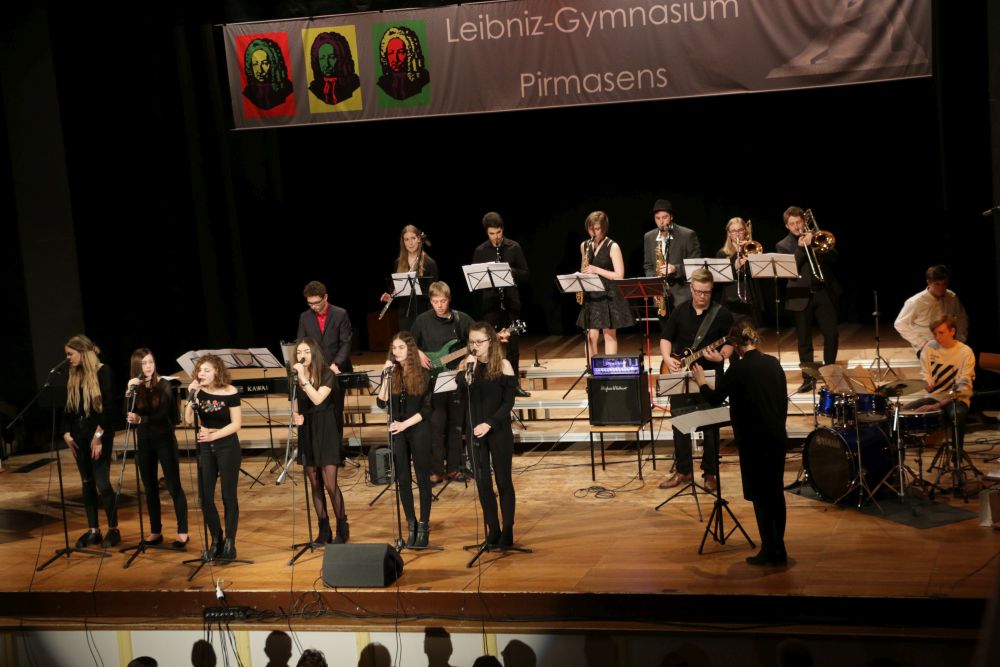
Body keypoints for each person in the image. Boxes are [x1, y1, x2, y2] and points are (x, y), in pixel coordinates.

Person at [691, 319, 789, 565]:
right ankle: (779, 548)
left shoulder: (738, 369)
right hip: (777, 438)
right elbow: (781, 400)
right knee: (775, 493)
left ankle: (768, 550)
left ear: (735, 345)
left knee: (760, 497)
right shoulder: (773, 363)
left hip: (753, 442)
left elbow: (716, 398)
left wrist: (701, 381)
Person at [657, 268, 735, 492]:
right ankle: (683, 471)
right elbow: (666, 338)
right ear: (691, 289)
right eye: (699, 291)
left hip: (709, 379)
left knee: (710, 428)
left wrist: (721, 356)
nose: (702, 296)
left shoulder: (722, 314)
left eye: (707, 292)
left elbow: (731, 343)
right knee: (679, 424)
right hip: (681, 376)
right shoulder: (680, 311)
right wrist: (667, 359)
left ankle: (710, 473)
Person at [459, 322, 518, 548]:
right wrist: (468, 373)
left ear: (491, 342)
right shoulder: (467, 367)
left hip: (498, 429)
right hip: (474, 431)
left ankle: (508, 530)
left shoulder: (504, 365)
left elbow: (508, 403)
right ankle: (493, 529)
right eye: (471, 342)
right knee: (483, 482)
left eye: (479, 342)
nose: (475, 346)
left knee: (503, 480)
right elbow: (461, 397)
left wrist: (489, 424)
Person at [125, 348, 189, 549]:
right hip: (144, 441)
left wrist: (141, 419)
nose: (148, 367)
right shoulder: (135, 387)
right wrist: (128, 392)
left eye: (150, 362)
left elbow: (162, 415)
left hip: (164, 440)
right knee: (150, 487)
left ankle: (183, 532)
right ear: (136, 366)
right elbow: (127, 414)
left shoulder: (164, 385)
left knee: (173, 485)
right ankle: (155, 531)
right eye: (143, 363)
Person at [62, 334, 120, 548]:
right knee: (87, 482)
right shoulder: (74, 374)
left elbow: (109, 408)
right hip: (79, 436)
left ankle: (113, 529)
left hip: (99, 434)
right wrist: (66, 433)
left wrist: (98, 437)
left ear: (82, 352)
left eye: (70, 354)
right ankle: (93, 530)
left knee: (102, 482)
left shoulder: (103, 371)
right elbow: (68, 407)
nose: (68, 358)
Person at [376, 332, 434, 547]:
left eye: (401, 347)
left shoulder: (423, 374)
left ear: (410, 350)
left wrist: (404, 424)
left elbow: (427, 409)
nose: (397, 352)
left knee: (422, 478)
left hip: (417, 428)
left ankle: (424, 526)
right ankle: (411, 524)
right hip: (397, 430)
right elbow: (381, 403)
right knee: (403, 479)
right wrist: (385, 376)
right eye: (394, 348)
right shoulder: (392, 373)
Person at [775, 206, 840, 393]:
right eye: (792, 224)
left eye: (799, 222)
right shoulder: (783, 245)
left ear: (804, 222)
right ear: (787, 226)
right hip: (800, 295)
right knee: (804, 340)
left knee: (831, 334)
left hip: (822, 293)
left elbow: (835, 258)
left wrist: (818, 242)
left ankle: (829, 374)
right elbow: (790, 270)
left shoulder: (816, 236)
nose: (797, 226)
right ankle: (808, 378)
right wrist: (801, 248)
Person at [184, 354, 242, 561]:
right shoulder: (198, 392)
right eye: (200, 370)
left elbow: (236, 424)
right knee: (205, 497)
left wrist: (213, 436)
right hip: (205, 447)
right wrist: (191, 396)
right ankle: (216, 539)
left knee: (228, 496)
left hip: (227, 446)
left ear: (217, 371)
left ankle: (230, 543)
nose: (202, 374)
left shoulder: (230, 392)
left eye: (207, 370)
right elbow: (187, 419)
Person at [292, 338, 349, 544]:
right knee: (315, 484)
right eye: (299, 352)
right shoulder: (295, 377)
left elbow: (317, 399)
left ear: (314, 353)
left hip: (326, 430)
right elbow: (295, 402)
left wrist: (303, 378)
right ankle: (324, 530)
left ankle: (342, 526)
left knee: (330, 484)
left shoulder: (327, 374)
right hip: (307, 430)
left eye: (306, 351)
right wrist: (295, 415)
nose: (302, 355)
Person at [906, 316, 975, 473]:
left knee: (957, 414)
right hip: (934, 396)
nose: (937, 337)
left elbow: (963, 386)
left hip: (956, 398)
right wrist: (927, 381)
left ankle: (957, 458)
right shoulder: (929, 348)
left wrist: (937, 406)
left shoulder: (965, 352)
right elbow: (925, 373)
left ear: (952, 331)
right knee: (904, 412)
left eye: (941, 333)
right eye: (935, 333)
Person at [472, 211, 531, 396]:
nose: (496, 237)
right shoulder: (481, 251)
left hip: (511, 302)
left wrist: (507, 271)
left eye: (498, 232)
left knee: (513, 348)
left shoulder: (514, 247)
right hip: (490, 304)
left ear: (502, 229)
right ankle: (492, 384)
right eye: (492, 234)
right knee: (489, 346)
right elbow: (475, 281)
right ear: (487, 233)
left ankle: (514, 385)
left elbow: (525, 274)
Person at [642, 199, 702, 361]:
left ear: (671, 217)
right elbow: (648, 265)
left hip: (682, 294)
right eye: (658, 218)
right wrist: (653, 282)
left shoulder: (687, 235)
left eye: (665, 217)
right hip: (661, 294)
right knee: (667, 335)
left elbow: (696, 265)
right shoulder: (649, 237)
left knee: (685, 337)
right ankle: (671, 366)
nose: (661, 222)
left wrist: (676, 269)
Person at [297, 280, 352, 442]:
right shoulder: (304, 317)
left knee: (335, 411)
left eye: (317, 302)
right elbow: (301, 343)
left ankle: (336, 450)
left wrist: (336, 364)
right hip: (314, 370)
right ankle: (318, 449)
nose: (314, 306)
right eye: (310, 303)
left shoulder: (340, 313)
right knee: (315, 411)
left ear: (325, 297)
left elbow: (346, 342)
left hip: (335, 369)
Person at [576, 211, 634, 355]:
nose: (593, 232)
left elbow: (619, 275)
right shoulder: (584, 245)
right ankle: (592, 366)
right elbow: (584, 267)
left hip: (609, 295)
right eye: (590, 229)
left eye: (597, 229)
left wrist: (597, 270)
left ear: (604, 228)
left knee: (609, 335)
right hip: (592, 294)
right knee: (590, 336)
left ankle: (609, 366)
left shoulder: (613, 246)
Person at [894, 264, 969, 357]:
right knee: (939, 363)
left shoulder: (951, 297)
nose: (941, 288)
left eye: (944, 284)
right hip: (927, 346)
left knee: (966, 358)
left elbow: (961, 317)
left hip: (949, 344)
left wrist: (960, 339)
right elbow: (900, 323)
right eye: (937, 284)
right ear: (929, 282)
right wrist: (922, 343)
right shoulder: (915, 302)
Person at [379, 225, 439, 331]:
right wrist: (391, 296)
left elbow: (434, 293)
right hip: (405, 314)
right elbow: (398, 292)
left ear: (419, 239)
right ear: (403, 242)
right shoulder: (398, 263)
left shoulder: (430, 263)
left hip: (424, 313)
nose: (410, 243)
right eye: (406, 239)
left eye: (413, 238)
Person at [716, 217, 762, 324]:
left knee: (751, 332)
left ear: (745, 231)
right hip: (731, 301)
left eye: (740, 230)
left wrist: (748, 253)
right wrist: (734, 267)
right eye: (733, 231)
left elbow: (758, 272)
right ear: (729, 234)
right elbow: (720, 279)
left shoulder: (751, 249)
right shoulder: (722, 253)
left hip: (749, 299)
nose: (737, 234)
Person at [376, 26, 430, 100]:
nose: (395, 59)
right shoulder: (382, 84)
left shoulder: (423, 79)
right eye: (391, 53)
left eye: (400, 52)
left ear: (410, 53)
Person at [306, 31, 360, 106]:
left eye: (332, 57)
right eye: (322, 58)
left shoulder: (354, 84)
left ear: (341, 58)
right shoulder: (314, 89)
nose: (327, 64)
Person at [242, 37, 293, 110]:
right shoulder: (248, 92)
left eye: (265, 63)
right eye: (255, 64)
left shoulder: (287, 88)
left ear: (274, 64)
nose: (260, 70)